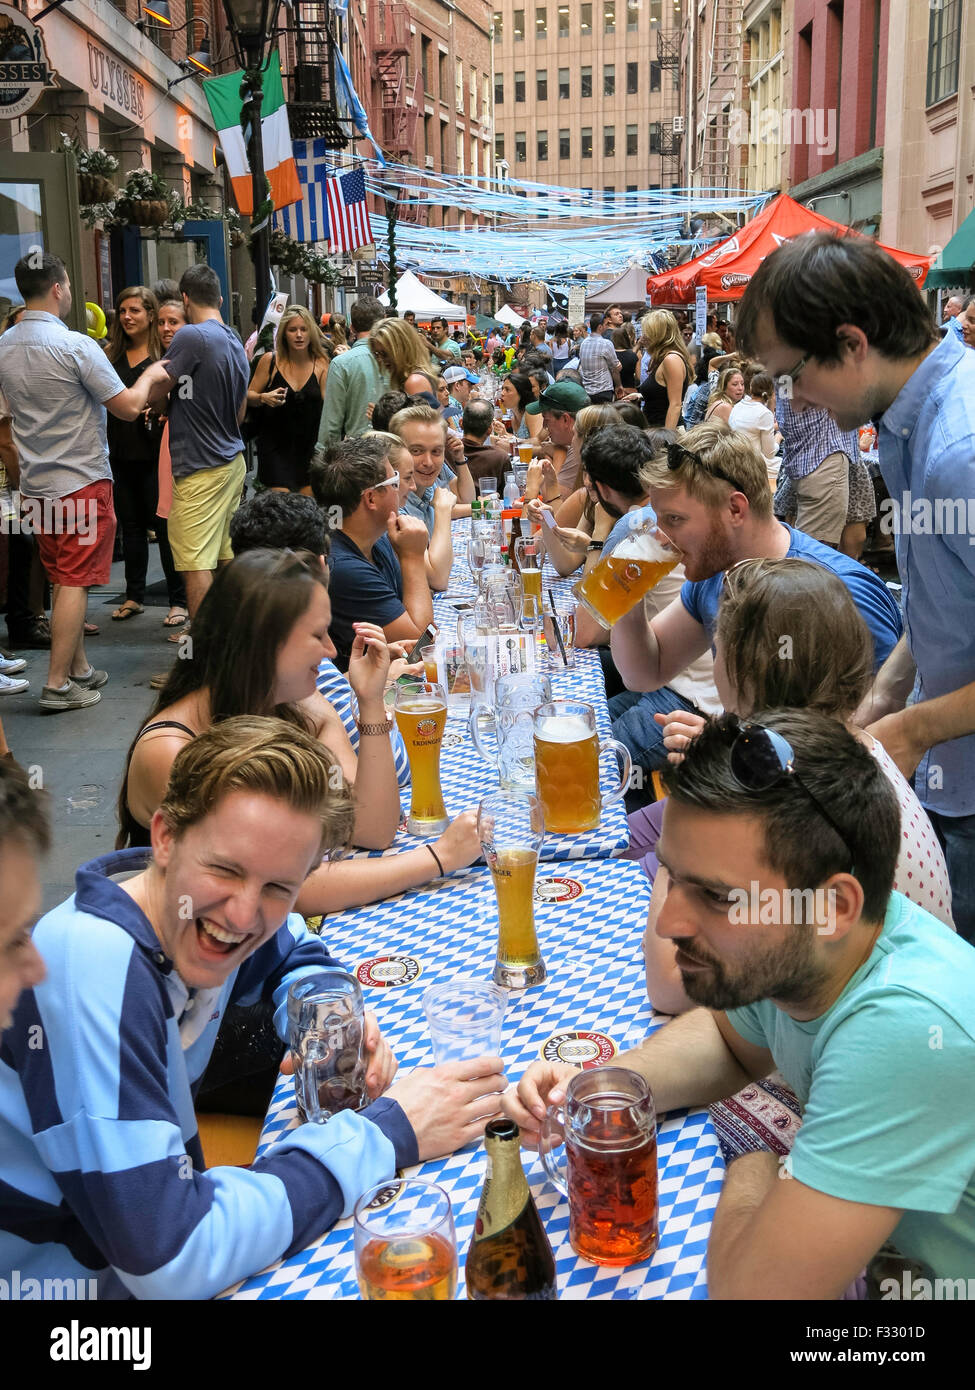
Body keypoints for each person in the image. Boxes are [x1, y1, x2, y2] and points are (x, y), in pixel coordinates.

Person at [5, 717, 505, 1298]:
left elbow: (290, 946)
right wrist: (386, 1134)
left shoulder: (169, 902)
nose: (244, 915)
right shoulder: (94, 969)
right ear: (164, 836)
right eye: (226, 870)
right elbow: (171, 1256)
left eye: (277, 886)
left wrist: (323, 1013)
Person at [503, 707, 975, 1296]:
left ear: (833, 908)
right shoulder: (815, 953)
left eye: (719, 898)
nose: (672, 923)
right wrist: (606, 1084)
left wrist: (756, 1152)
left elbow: (751, 1292)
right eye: (674, 879)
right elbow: (728, 1040)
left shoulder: (905, 1027)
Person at [737, 230, 975, 940]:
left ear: (849, 343)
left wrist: (910, 730)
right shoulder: (906, 424)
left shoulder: (956, 451)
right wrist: (885, 693)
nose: (795, 399)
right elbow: (945, 594)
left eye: (793, 373)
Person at [641, 556, 953, 1017]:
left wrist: (691, 830)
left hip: (861, 1037)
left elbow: (669, 986)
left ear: (741, 670)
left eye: (717, 645)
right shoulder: (849, 745)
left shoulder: (785, 788)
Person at [608, 423, 903, 746]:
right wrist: (628, 602)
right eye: (659, 519)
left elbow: (874, 745)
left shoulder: (844, 593)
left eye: (675, 519)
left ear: (735, 509)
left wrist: (731, 748)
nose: (661, 536)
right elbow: (645, 674)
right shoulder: (716, 570)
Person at [0, 253, 163, 712]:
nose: (70, 292)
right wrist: (151, 374)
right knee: (73, 582)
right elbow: (129, 407)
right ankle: (56, 684)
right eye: (68, 284)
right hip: (79, 480)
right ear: (57, 288)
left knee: (59, 577)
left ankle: (79, 668)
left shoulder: (5, 345)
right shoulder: (76, 346)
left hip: (35, 483)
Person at [146, 264, 248, 621]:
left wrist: (152, 396)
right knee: (221, 560)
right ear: (219, 298)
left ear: (185, 298)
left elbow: (158, 389)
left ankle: (203, 663)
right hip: (230, 461)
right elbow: (240, 412)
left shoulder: (192, 336)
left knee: (194, 564)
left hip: (201, 468)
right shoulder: (233, 338)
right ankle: (228, 653)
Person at [311, 435, 434, 667]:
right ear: (371, 498)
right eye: (394, 481)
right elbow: (421, 645)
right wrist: (413, 557)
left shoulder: (374, 537)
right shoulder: (343, 568)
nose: (408, 487)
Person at [104, 285, 186, 628]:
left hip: (157, 455)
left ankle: (178, 601)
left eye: (135, 310)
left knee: (165, 528)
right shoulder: (109, 355)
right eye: (122, 311)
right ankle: (134, 595)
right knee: (132, 526)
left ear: (150, 315)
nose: (127, 317)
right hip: (120, 454)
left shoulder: (163, 356)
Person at [246, 306, 329, 496]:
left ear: (311, 332)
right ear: (284, 333)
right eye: (292, 330)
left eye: (304, 329)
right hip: (275, 447)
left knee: (307, 509)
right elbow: (248, 396)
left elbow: (329, 406)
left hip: (310, 448)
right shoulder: (270, 361)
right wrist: (262, 397)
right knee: (282, 509)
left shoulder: (322, 363)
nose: (299, 335)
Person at [390, 402, 474, 544]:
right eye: (416, 451)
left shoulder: (430, 489)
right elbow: (435, 566)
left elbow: (467, 498)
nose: (428, 462)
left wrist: (459, 458)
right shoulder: (396, 509)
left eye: (436, 451)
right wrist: (443, 513)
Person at [317, 296, 389, 444]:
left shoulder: (342, 363)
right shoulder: (401, 356)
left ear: (352, 327)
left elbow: (331, 423)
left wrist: (323, 457)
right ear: (384, 320)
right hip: (396, 449)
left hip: (358, 451)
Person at [524, 379, 590, 494]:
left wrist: (556, 454)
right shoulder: (583, 438)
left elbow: (554, 500)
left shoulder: (582, 445)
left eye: (546, 419)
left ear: (565, 419)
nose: (544, 426)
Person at [637, 310, 695, 431]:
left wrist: (667, 440)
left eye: (647, 332)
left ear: (658, 334)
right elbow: (663, 395)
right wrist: (641, 395)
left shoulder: (671, 359)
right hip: (656, 429)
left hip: (664, 431)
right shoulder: (663, 358)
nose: (643, 337)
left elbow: (675, 405)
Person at [727, 369, 779, 472]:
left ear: (750, 388)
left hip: (732, 460)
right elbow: (769, 453)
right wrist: (778, 438)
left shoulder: (738, 406)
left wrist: (771, 404)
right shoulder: (764, 413)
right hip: (750, 465)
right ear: (772, 392)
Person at [368, 316, 435, 392]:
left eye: (385, 353)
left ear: (403, 348)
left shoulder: (414, 382)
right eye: (377, 354)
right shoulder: (409, 379)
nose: (380, 360)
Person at [461, 397, 509, 493]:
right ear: (490, 429)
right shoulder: (500, 457)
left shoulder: (448, 452)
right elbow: (507, 495)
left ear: (461, 423)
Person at [578, 314, 622, 402]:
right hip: (603, 390)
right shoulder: (606, 343)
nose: (607, 327)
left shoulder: (584, 343)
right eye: (606, 324)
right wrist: (618, 385)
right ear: (600, 327)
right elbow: (615, 368)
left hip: (587, 391)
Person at [498, 372, 539, 439]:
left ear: (521, 393)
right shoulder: (514, 418)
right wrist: (505, 434)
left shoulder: (532, 413)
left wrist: (510, 439)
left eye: (507, 390)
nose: (502, 393)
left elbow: (537, 445)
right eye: (502, 389)